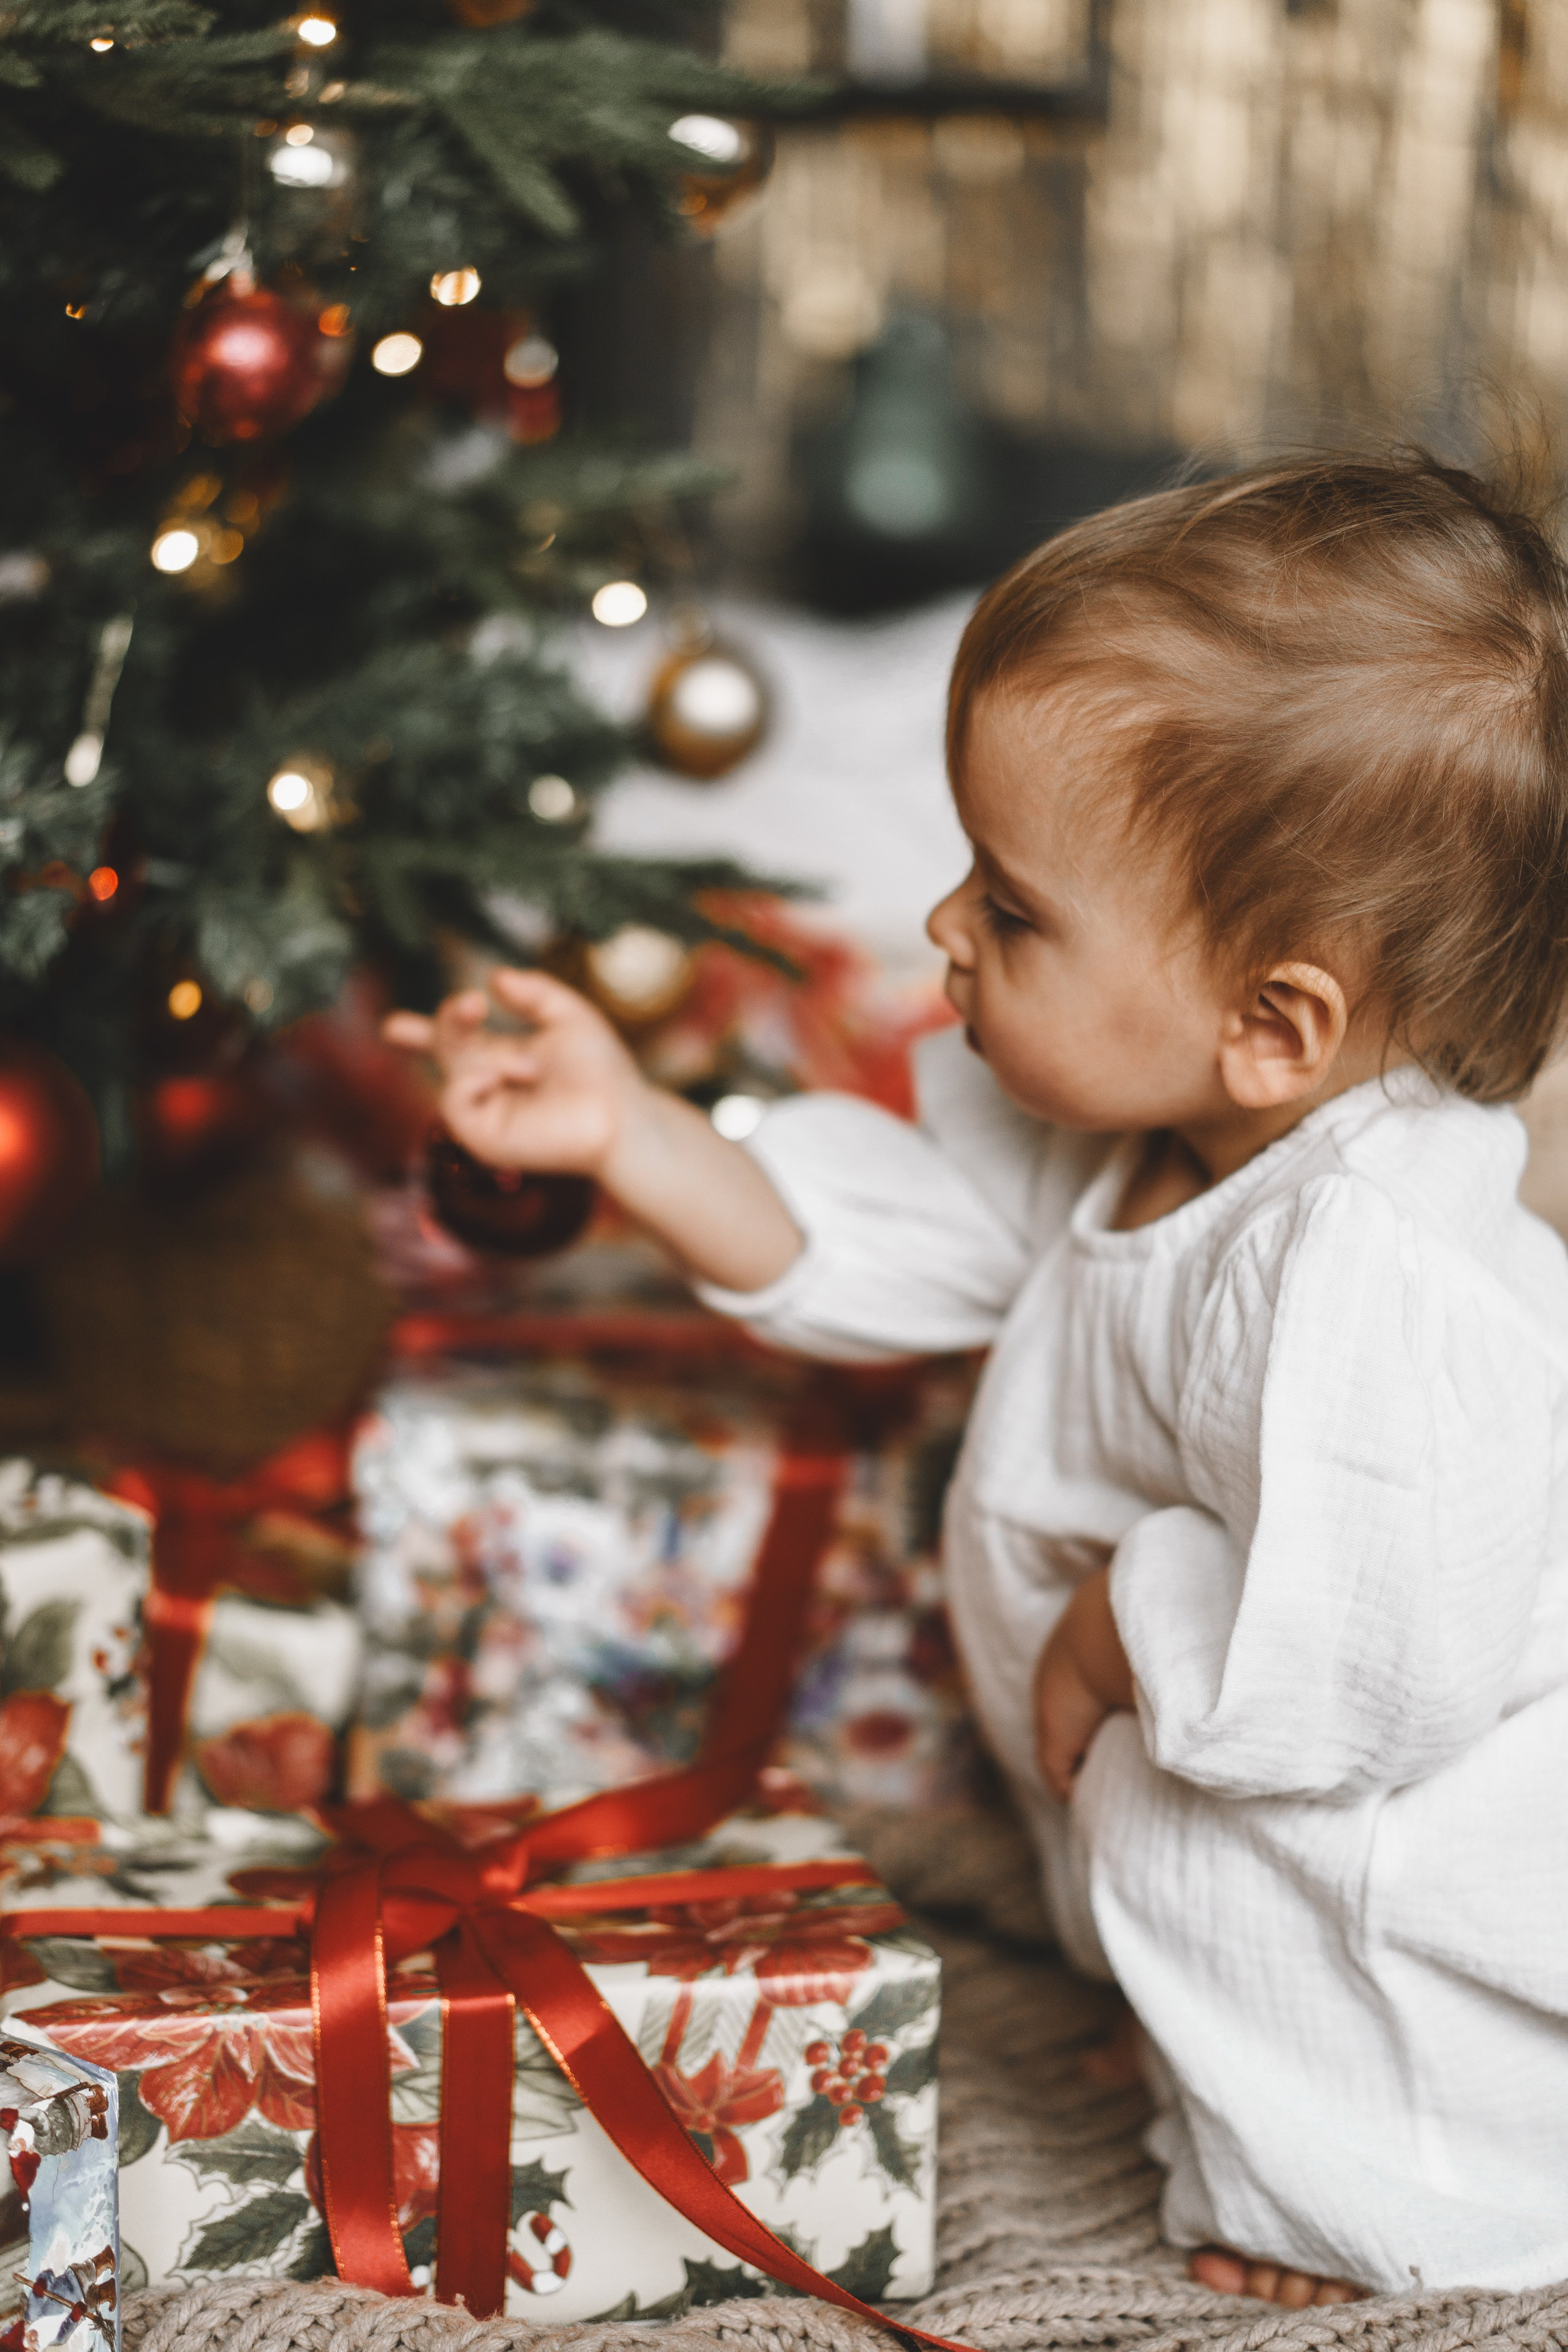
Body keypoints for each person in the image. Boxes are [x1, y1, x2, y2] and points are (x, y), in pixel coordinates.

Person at [385, 453, 1568, 2309]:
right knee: (1192, 1879)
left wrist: (1129, 1613)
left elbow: (1385, 1664)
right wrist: (629, 1131)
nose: (941, 928)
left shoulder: (1381, 1273)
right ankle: (1207, 2047)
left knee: (1330, 1964)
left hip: (1412, 1842)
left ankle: (1403, 2219)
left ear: (1275, 1023)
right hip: (1191, 1774)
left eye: (1011, 911)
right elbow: (861, 1238)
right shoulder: (1130, 1133)